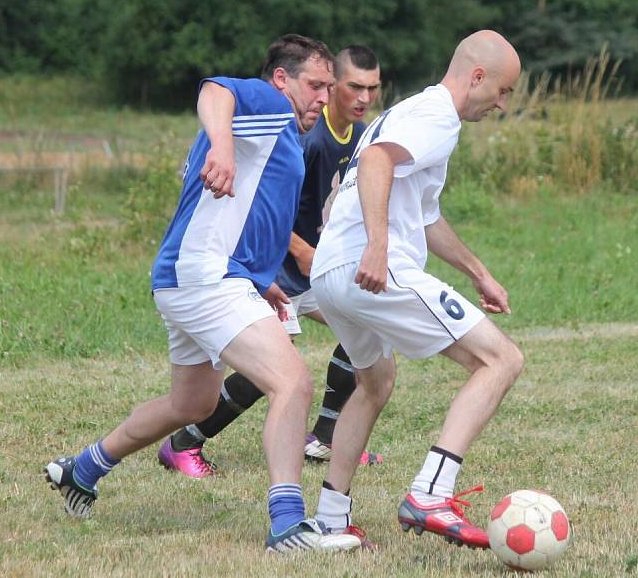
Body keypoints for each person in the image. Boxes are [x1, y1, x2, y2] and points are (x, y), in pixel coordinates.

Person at [44, 34, 362, 554]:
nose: (324, 97)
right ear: (282, 80)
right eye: (315, 84)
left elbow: (240, 215)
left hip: (193, 277)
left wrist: (262, 281)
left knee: (192, 403)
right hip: (206, 278)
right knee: (293, 385)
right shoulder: (268, 108)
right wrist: (218, 144)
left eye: (330, 86)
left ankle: (83, 468)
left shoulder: (276, 137)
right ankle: (287, 525)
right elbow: (215, 90)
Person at [308, 30, 524, 549]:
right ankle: (431, 493)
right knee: (501, 360)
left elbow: (425, 216)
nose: (502, 103)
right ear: (477, 76)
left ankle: (330, 518)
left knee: (374, 383)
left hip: (331, 273)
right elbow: (379, 162)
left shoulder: (412, 113)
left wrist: (478, 272)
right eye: (502, 91)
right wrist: (378, 247)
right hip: (371, 269)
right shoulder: (435, 119)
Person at [157, 46, 384, 478]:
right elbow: (266, 205)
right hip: (276, 268)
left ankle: (327, 438)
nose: (363, 98)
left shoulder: (355, 135)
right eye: (352, 87)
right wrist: (300, 252)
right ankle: (187, 440)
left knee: (357, 328)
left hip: (302, 270)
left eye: (372, 88)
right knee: (281, 370)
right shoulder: (302, 134)